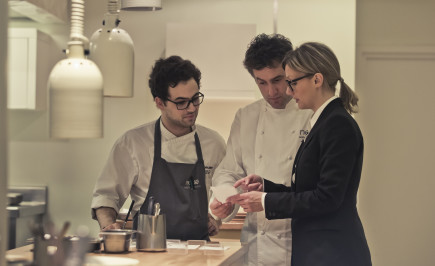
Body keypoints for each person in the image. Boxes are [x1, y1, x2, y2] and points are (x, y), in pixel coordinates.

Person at [228, 42, 372, 265]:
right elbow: (306, 190)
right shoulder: (324, 121)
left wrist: (266, 201)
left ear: (317, 80)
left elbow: (327, 198)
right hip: (318, 250)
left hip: (333, 252)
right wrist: (266, 186)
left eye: (292, 82)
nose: (287, 91)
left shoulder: (337, 125)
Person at [91, 55, 226, 241]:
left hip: (198, 251)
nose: (192, 108)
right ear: (160, 103)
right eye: (181, 102)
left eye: (195, 99)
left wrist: (216, 219)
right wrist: (108, 225)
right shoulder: (132, 143)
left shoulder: (213, 143)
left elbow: (227, 195)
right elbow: (107, 196)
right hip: (147, 251)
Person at [210, 34, 312, 265]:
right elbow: (229, 171)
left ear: (291, 72)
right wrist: (224, 199)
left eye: (277, 80)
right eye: (261, 82)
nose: (271, 92)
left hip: (301, 240)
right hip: (258, 243)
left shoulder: (311, 114)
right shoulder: (246, 117)